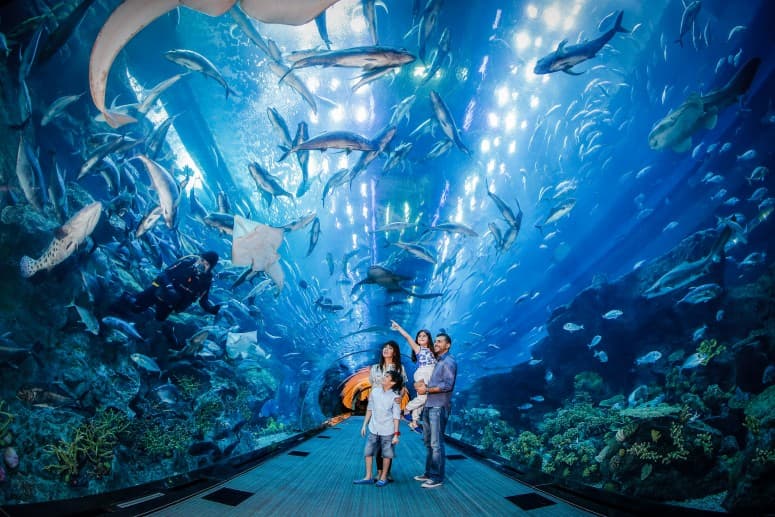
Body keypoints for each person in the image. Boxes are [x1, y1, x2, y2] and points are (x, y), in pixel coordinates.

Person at [414, 332, 457, 488]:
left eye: (440, 341)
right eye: (436, 341)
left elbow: (447, 385)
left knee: (436, 443)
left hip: (439, 406)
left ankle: (437, 477)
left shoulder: (449, 361)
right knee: (428, 442)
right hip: (430, 405)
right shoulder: (438, 361)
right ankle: (428, 473)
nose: (436, 343)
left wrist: (426, 390)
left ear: (448, 345)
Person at [129, 251, 221, 321]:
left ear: (210, 268)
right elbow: (164, 274)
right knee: (135, 307)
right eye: (202, 260)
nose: (202, 264)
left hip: (171, 304)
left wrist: (211, 309)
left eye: (206, 264)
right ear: (199, 258)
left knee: (159, 319)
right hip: (159, 291)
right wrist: (170, 288)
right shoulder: (186, 264)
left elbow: (203, 300)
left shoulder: (206, 281)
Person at [353, 370, 403, 487]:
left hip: (388, 430)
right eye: (384, 375)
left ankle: (383, 477)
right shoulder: (374, 392)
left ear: (393, 382)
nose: (383, 377)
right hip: (373, 428)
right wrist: (364, 424)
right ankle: (368, 476)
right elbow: (370, 409)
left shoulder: (395, 397)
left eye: (387, 377)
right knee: (368, 452)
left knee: (387, 454)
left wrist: (396, 434)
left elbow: (396, 417)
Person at [368, 340, 408, 482]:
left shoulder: (400, 368)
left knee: (388, 442)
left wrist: (400, 397)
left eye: (389, 348)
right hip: (377, 408)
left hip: (390, 408)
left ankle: (386, 473)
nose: (386, 349)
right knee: (376, 442)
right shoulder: (375, 368)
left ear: (395, 352)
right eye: (384, 347)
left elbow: (402, 387)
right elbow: (372, 386)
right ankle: (379, 472)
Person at [390, 320, 436, 432]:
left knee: (424, 399)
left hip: (430, 374)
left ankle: (414, 422)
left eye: (424, 336)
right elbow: (407, 337)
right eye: (419, 336)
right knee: (423, 398)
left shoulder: (433, 350)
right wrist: (398, 327)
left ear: (429, 338)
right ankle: (406, 410)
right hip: (422, 373)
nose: (421, 337)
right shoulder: (418, 348)